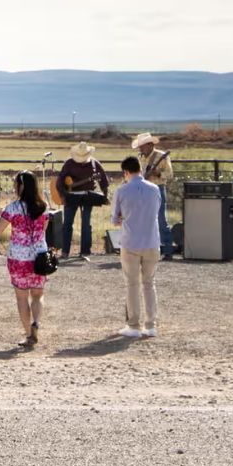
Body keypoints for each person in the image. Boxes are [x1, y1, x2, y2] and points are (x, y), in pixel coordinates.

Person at [0, 171, 53, 349]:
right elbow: (44, 228)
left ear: (20, 186)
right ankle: (36, 322)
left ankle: (28, 334)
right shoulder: (44, 207)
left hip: (18, 257)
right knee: (38, 295)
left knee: (21, 297)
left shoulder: (12, 208)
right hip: (39, 257)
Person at [109, 156, 163, 338]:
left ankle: (133, 325)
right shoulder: (155, 189)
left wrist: (124, 218)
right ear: (140, 169)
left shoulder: (122, 191)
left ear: (125, 172)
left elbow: (115, 220)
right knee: (149, 283)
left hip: (130, 242)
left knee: (131, 284)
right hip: (152, 241)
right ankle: (151, 325)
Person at [55, 143, 110, 260]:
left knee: (86, 224)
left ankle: (85, 252)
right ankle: (65, 252)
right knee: (67, 224)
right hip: (70, 196)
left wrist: (106, 195)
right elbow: (59, 181)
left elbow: (104, 181)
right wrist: (62, 196)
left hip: (87, 196)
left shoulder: (95, 164)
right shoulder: (69, 163)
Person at [132, 133, 175, 259]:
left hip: (158, 189)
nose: (140, 148)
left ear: (150, 145)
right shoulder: (139, 158)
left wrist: (158, 174)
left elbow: (170, 174)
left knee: (161, 219)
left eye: (142, 145)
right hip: (143, 190)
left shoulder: (161, 156)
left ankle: (168, 250)